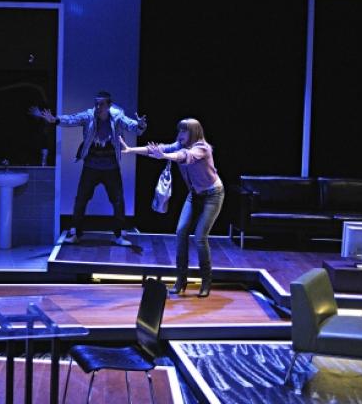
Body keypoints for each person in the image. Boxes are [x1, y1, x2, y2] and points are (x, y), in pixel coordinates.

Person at [120, 118, 223, 297]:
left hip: (212, 195)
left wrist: (165, 156)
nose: (180, 134)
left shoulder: (202, 148)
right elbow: (159, 149)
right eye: (179, 131)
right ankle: (181, 279)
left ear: (194, 133)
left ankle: (206, 281)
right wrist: (131, 149)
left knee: (200, 237)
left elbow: (183, 156)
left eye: (184, 131)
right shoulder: (179, 145)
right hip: (194, 195)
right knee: (181, 231)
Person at [30, 90, 146, 246]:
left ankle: (119, 235)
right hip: (91, 165)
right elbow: (72, 119)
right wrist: (55, 120)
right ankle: (76, 233)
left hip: (111, 167)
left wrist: (141, 124)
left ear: (109, 105)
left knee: (118, 200)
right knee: (81, 199)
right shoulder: (89, 115)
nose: (98, 107)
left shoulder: (117, 116)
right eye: (96, 103)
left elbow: (133, 126)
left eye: (101, 104)